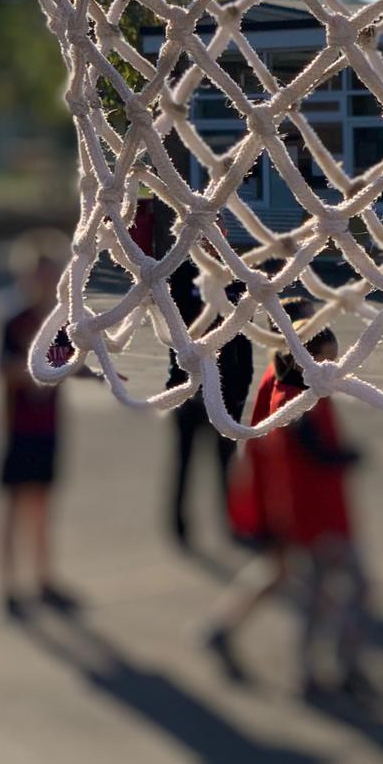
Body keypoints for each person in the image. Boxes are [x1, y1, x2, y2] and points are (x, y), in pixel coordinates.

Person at [203, 308, 369, 698]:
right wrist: (345, 456)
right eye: (327, 358)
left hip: (290, 506)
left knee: (284, 576)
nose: (334, 368)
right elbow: (303, 446)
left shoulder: (295, 381)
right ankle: (324, 670)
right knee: (332, 589)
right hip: (300, 512)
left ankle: (222, 630)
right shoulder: (293, 395)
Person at [152, 200, 255, 550]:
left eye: (220, 229)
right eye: (209, 231)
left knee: (227, 464)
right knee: (185, 460)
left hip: (228, 389)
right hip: (188, 386)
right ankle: (179, 525)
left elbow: (247, 336)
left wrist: (243, 383)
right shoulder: (179, 275)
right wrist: (179, 384)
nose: (215, 237)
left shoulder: (237, 276)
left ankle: (233, 524)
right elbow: (175, 335)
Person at [0, 229, 79, 620]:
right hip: (17, 427)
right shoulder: (14, 318)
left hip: (48, 426)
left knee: (43, 506)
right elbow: (4, 369)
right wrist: (34, 374)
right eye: (39, 273)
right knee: (13, 507)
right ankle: (8, 584)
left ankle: (43, 578)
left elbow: (63, 366)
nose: (44, 281)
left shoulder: (60, 323)